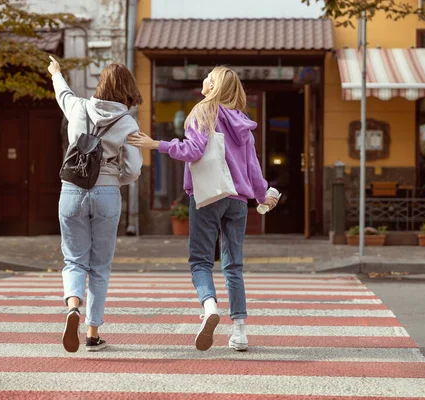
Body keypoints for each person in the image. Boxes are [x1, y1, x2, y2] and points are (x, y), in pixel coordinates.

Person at [128, 66, 278, 352]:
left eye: (209, 76)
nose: (204, 79)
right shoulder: (244, 123)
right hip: (238, 201)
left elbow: (192, 151)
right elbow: (253, 170)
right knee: (234, 264)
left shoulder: (203, 112)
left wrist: (155, 144)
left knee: (200, 261)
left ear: (215, 85)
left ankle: (210, 307)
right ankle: (240, 331)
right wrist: (261, 197)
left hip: (207, 195)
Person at [48, 56, 143, 353]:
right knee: (100, 266)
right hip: (107, 194)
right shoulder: (127, 122)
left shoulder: (77, 107)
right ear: (125, 89)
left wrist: (56, 72)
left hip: (71, 191)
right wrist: (116, 180)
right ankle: (92, 332)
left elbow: (62, 93)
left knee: (74, 259)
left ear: (100, 85)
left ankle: (73, 307)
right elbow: (134, 168)